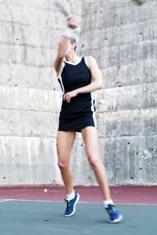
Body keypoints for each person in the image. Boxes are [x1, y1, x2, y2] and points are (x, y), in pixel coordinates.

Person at [53, 16, 123, 224]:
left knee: (93, 158)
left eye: (66, 42)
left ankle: (109, 203)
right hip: (67, 115)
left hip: (85, 113)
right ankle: (71, 196)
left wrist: (76, 92)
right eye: (61, 42)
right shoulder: (60, 66)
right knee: (62, 162)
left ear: (74, 44)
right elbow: (58, 54)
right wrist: (67, 27)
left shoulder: (89, 61)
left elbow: (99, 83)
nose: (63, 44)